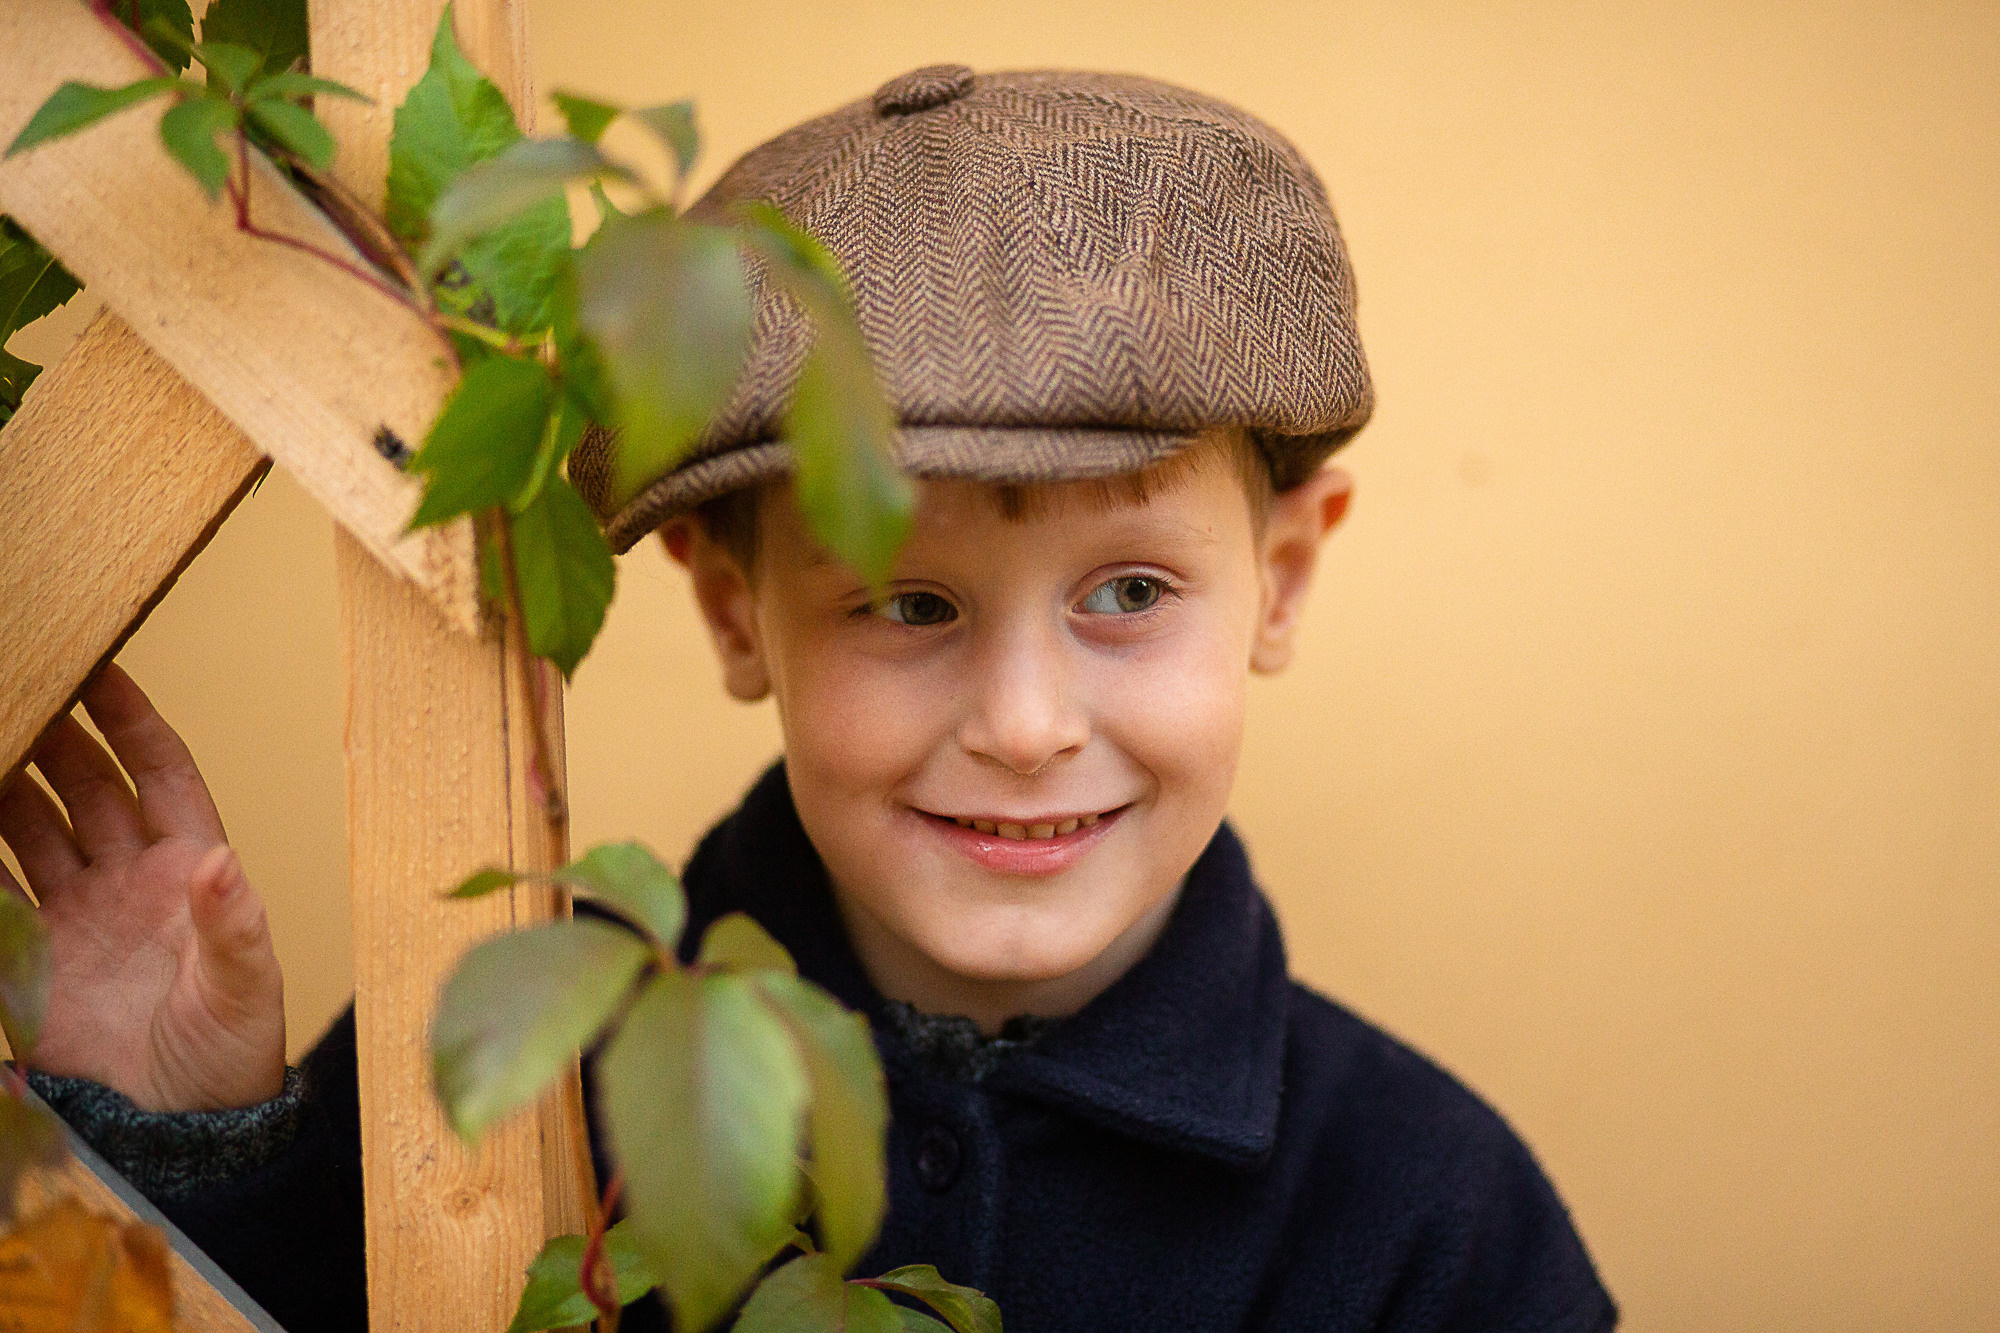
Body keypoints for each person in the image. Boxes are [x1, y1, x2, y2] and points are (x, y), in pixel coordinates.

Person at [2, 66, 1617, 1332]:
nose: (1028, 721)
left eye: (1128, 591)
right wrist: (183, 1147)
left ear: (1286, 576)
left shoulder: (1437, 1223)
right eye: (908, 601)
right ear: (731, 607)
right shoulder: (503, 1067)